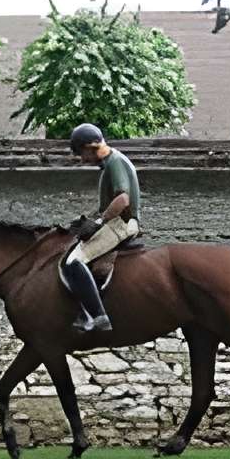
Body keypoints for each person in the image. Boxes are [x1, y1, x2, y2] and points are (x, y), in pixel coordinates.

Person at [60, 121, 141, 335]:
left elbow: (123, 199)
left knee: (73, 261)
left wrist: (99, 222)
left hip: (122, 224)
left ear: (90, 146)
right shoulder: (110, 163)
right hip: (117, 222)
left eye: (81, 153)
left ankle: (97, 316)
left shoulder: (115, 162)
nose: (82, 159)